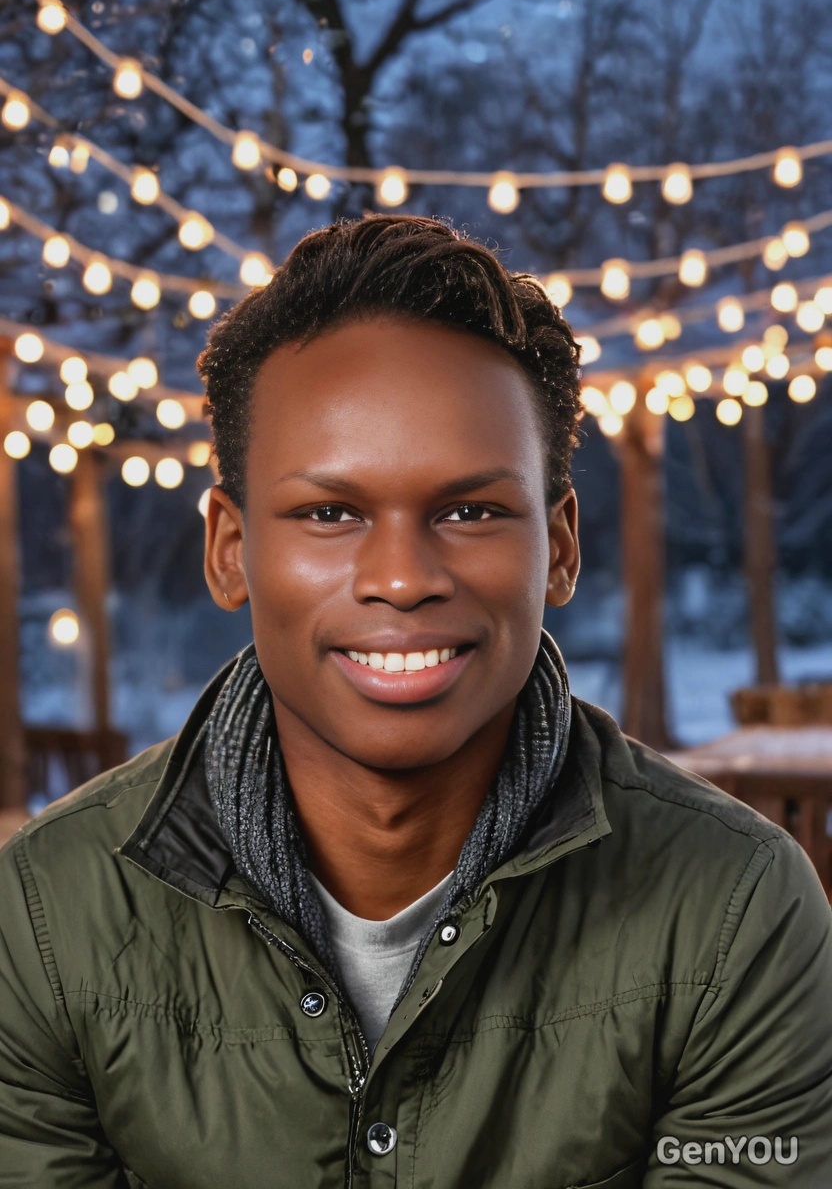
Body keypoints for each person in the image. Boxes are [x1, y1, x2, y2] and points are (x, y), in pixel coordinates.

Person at [1, 216, 830, 1188]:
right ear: (230, 547)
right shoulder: (41, 922)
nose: (401, 577)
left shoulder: (735, 911)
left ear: (558, 545)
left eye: (470, 510)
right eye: (329, 513)